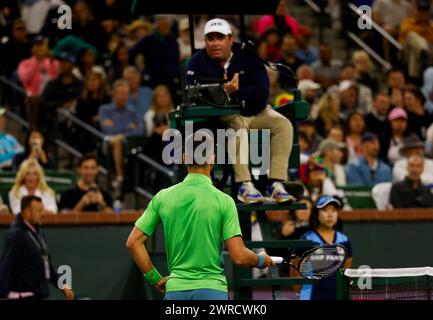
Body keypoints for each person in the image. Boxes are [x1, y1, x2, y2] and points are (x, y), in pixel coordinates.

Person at [126, 132, 274, 300]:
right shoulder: (224, 201)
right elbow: (239, 256)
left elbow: (133, 242)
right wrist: (261, 260)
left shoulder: (162, 197)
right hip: (212, 291)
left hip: (176, 293)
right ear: (212, 159)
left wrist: (155, 279)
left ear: (183, 158)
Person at [186, 18, 295, 204]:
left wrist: (237, 92)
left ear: (230, 39)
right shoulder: (196, 62)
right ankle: (245, 184)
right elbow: (194, 96)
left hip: (255, 111)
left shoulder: (249, 57)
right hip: (222, 117)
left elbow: (262, 92)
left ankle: (276, 183)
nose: (215, 43)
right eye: (210, 38)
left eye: (219, 38)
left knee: (282, 123)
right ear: (204, 41)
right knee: (237, 124)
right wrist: (224, 93)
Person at [0, 195, 74, 300]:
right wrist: (2, 293)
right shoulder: (16, 235)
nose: (42, 214)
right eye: (39, 211)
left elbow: (47, 264)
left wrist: (62, 285)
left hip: (37, 295)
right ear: (27, 212)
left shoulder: (38, 234)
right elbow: (5, 265)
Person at [296, 195, 352, 300]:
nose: (330, 214)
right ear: (316, 214)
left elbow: (346, 270)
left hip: (337, 295)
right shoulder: (306, 239)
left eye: (334, 210)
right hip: (310, 295)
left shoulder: (344, 240)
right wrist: (299, 292)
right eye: (325, 210)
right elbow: (295, 270)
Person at [98, 79, 143, 189]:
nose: (124, 97)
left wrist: (118, 129)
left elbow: (139, 131)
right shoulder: (104, 109)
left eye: (126, 94)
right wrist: (128, 127)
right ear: (114, 94)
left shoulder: (132, 111)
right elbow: (107, 130)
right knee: (117, 140)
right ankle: (119, 175)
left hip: (128, 141)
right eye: (121, 94)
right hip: (109, 142)